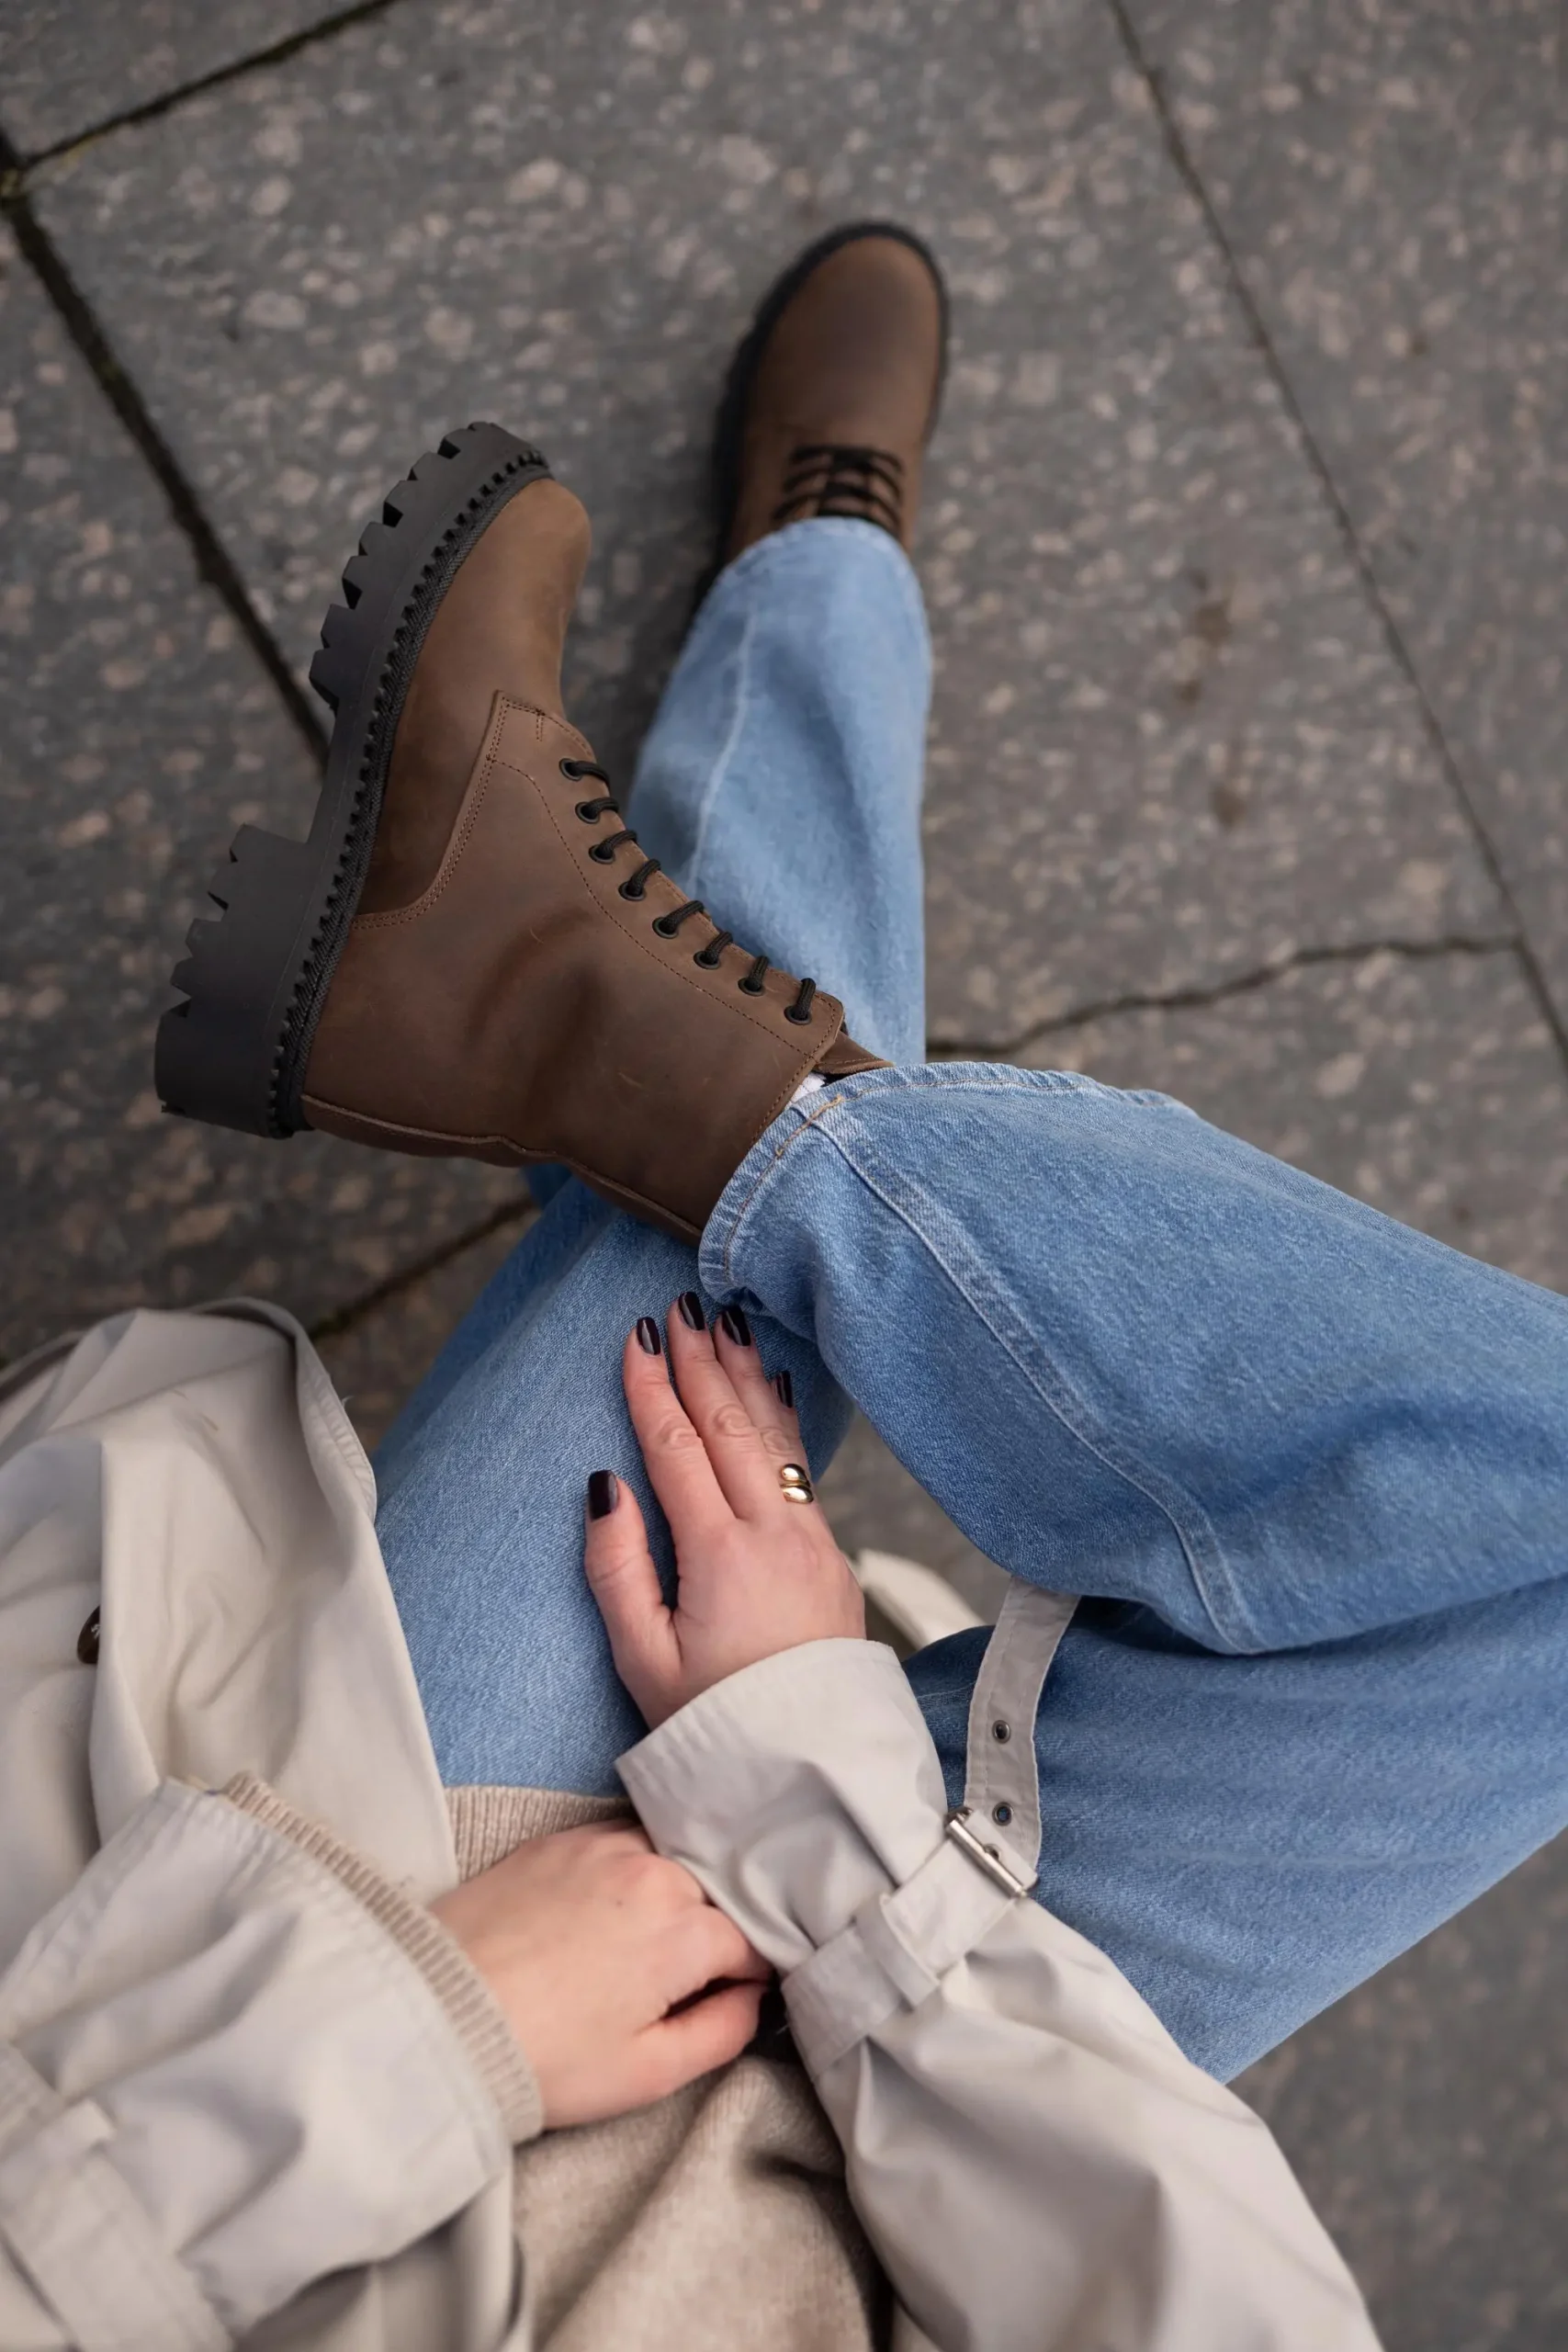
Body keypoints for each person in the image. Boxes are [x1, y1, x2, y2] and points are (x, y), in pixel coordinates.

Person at [3, 220, 1563, 2350]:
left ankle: (769, 681)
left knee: (727, 1225)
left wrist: (423, 2028)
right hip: (993, 2189)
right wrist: (825, 1804)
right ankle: (656, 948)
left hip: (379, 2119)